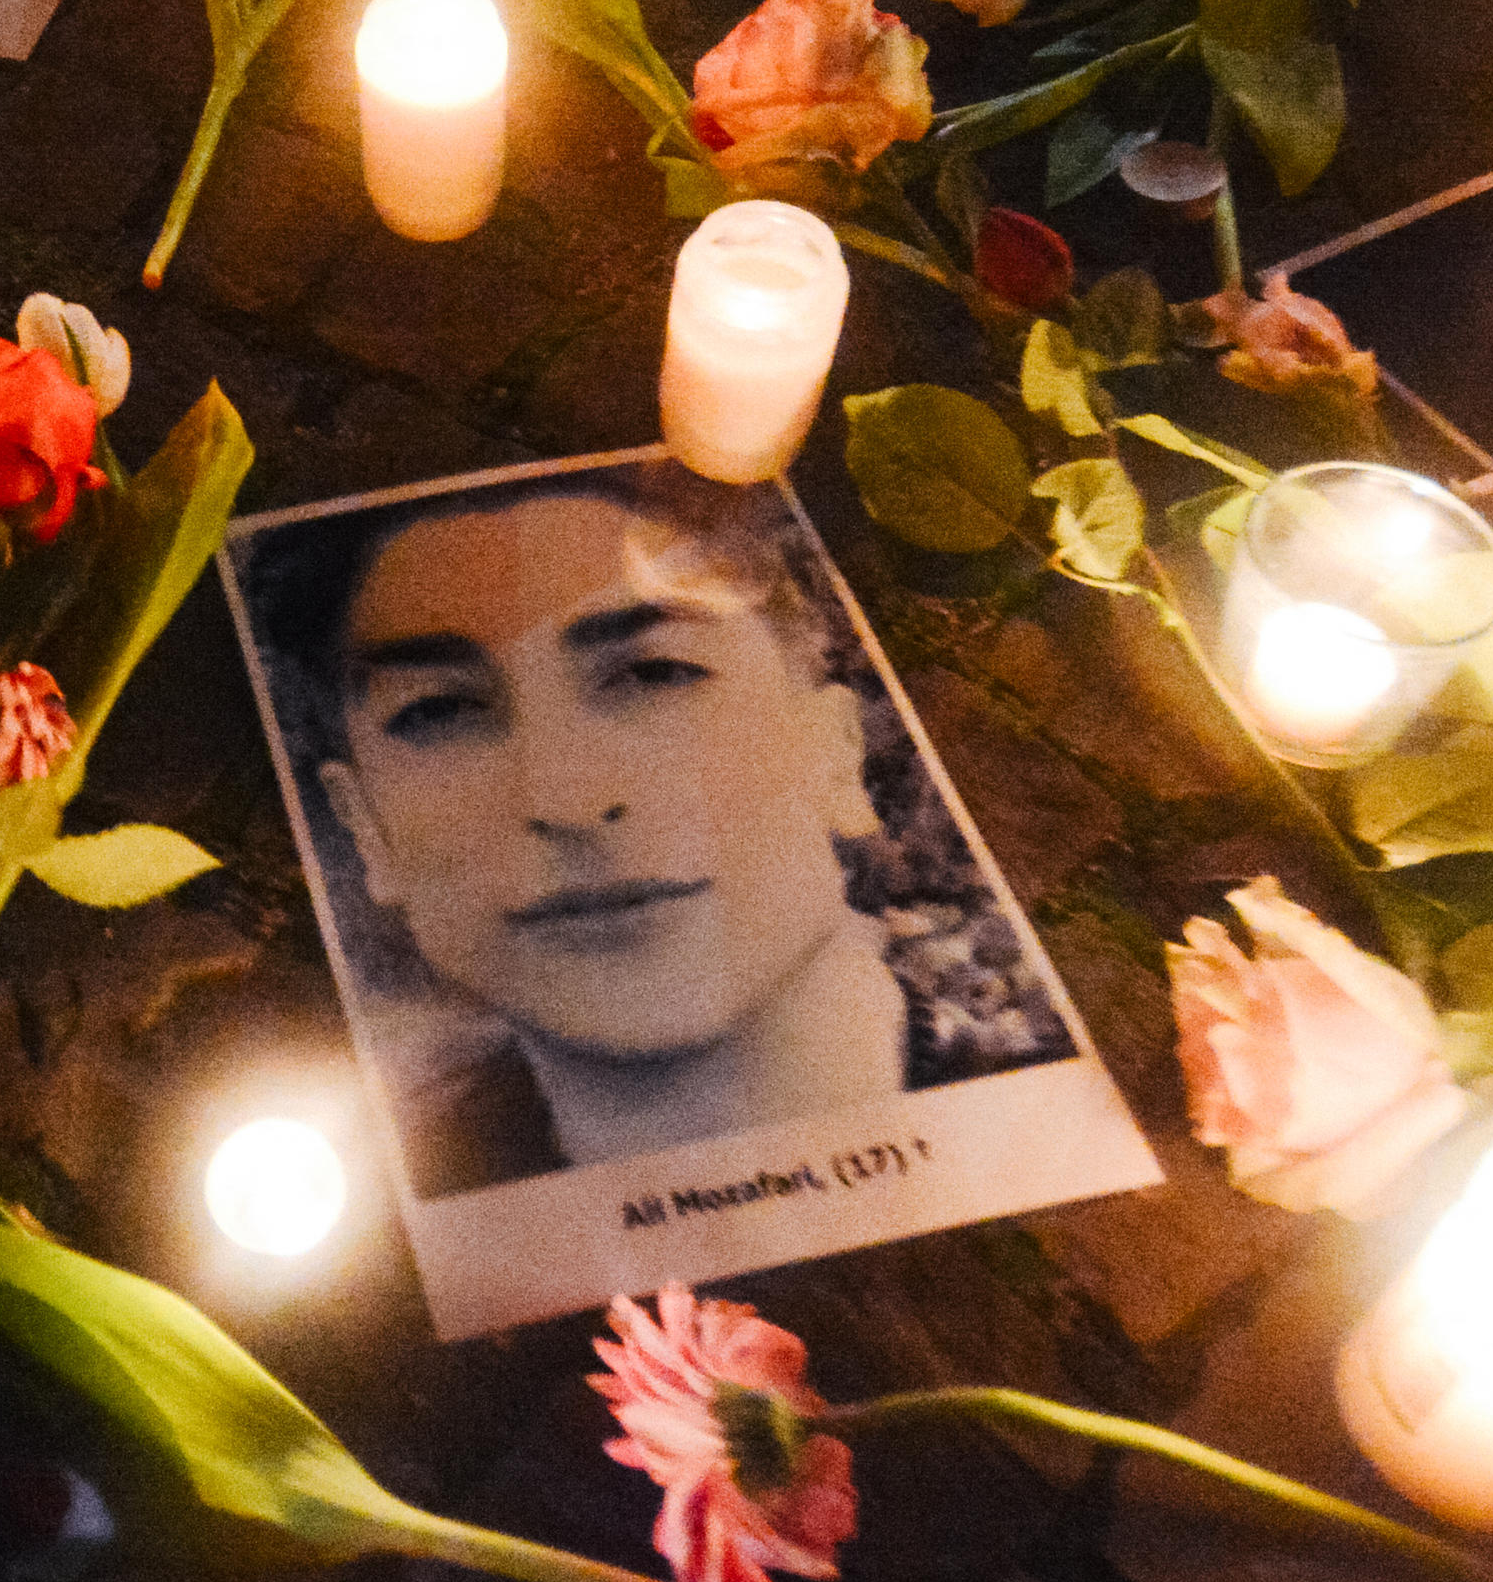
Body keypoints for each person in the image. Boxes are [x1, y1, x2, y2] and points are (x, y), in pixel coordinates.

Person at [254, 462, 1066, 1197]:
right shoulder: (355, 1184)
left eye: (656, 673)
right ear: (367, 830)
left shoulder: (1045, 1069)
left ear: (834, 753)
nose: (568, 797)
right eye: (440, 710)